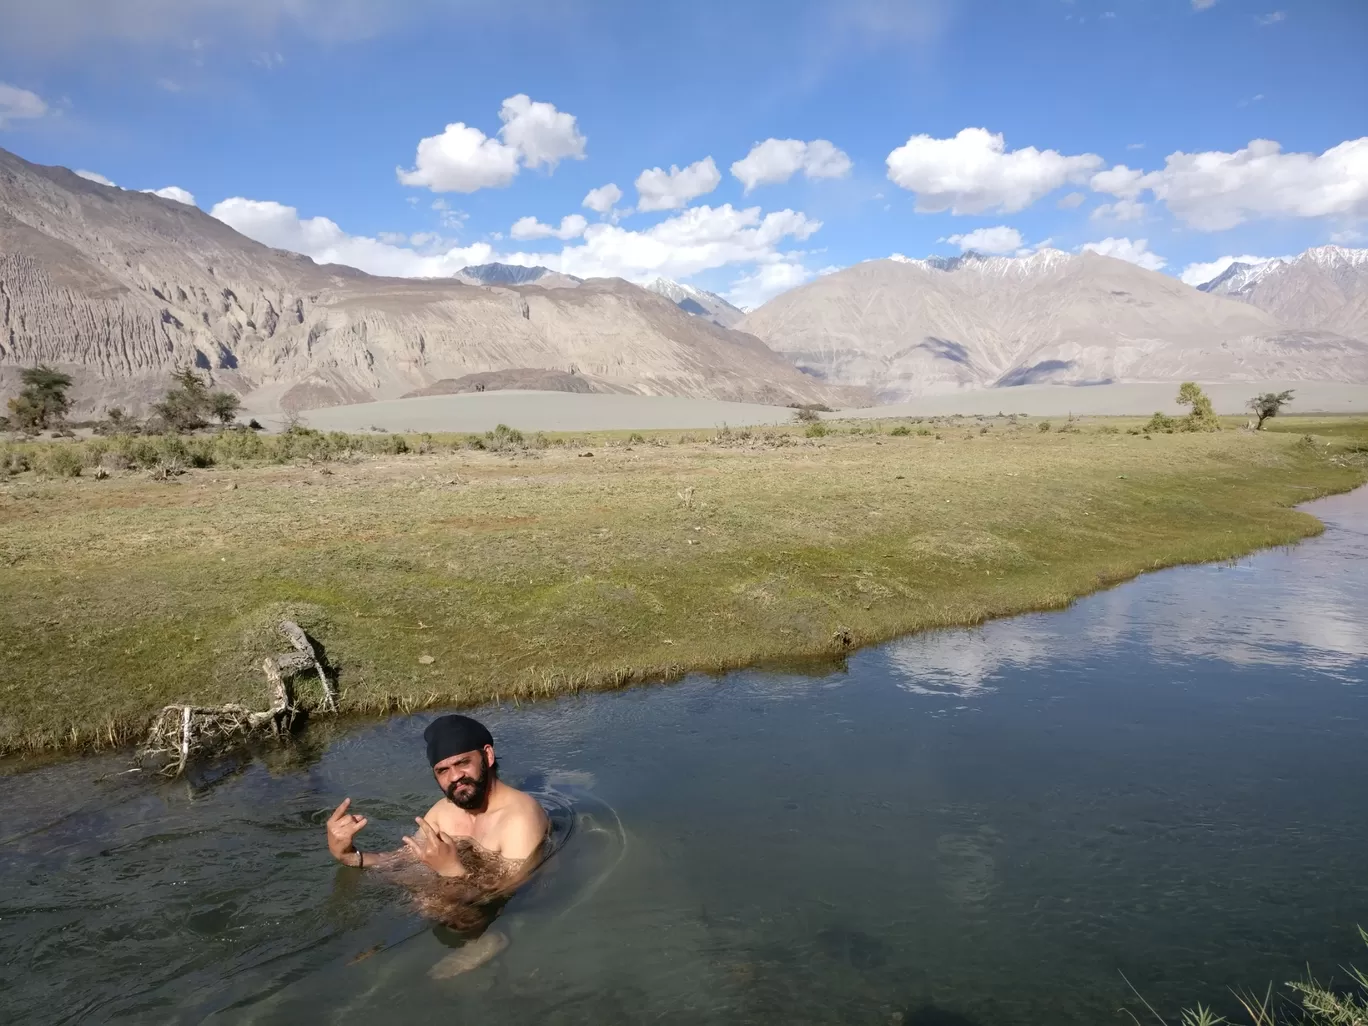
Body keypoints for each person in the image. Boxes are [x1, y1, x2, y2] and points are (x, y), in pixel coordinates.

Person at [325, 714, 550, 975]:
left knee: (436, 900)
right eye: (443, 771)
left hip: (502, 911)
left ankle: (490, 938)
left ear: (487, 756)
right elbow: (403, 861)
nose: (455, 777)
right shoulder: (443, 812)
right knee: (400, 895)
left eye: (463, 763)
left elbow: (511, 893)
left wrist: (451, 872)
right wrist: (351, 856)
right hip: (462, 890)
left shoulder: (520, 818)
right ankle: (371, 948)